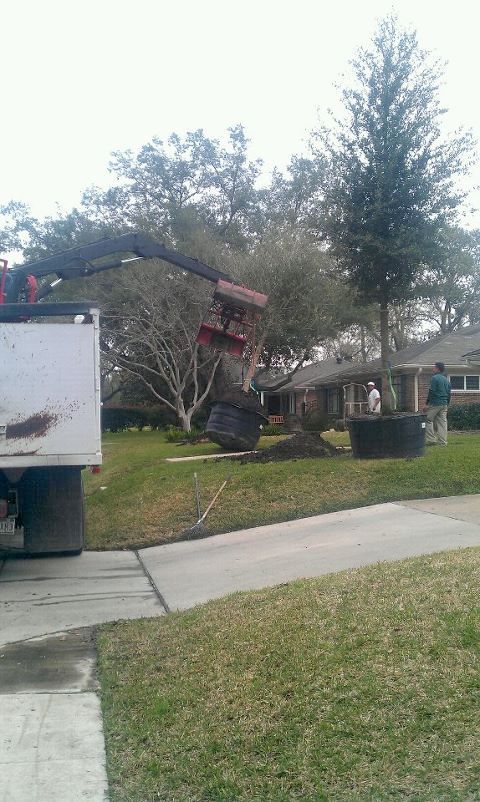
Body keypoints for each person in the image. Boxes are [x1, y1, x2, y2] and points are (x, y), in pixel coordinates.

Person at [423, 362, 451, 446]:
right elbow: (449, 393)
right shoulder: (446, 379)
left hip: (435, 403)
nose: (432, 369)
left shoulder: (434, 378)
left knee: (427, 419)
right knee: (442, 423)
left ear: (438, 369)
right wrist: (447, 404)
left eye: (434, 367)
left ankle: (431, 440)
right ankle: (443, 442)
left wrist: (427, 404)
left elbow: (432, 391)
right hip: (444, 403)